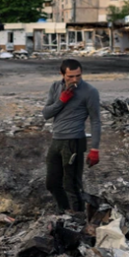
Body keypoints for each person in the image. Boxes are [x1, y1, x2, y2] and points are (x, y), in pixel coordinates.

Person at [42, 59, 101, 213]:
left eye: (78, 76)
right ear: (62, 74)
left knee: (72, 185)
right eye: (70, 76)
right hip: (57, 140)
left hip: (74, 141)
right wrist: (61, 101)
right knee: (52, 183)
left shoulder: (89, 91)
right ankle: (65, 212)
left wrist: (95, 148)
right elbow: (46, 114)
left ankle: (80, 219)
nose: (75, 80)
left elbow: (95, 120)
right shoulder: (55, 86)